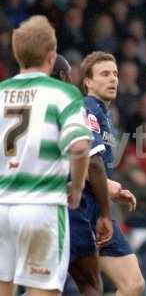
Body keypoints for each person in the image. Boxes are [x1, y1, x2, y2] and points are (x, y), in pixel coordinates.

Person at [0, 16, 91, 296]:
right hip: (42, 206)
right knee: (44, 290)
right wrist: (75, 188)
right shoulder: (62, 94)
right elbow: (78, 146)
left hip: (2, 205)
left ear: (17, 56)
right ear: (51, 57)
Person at [52, 52, 145, 295]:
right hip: (78, 208)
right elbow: (86, 160)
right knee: (82, 286)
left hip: (95, 206)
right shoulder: (86, 108)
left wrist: (108, 186)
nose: (113, 79)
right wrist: (107, 185)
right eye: (104, 74)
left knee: (133, 284)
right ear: (87, 82)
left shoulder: (103, 114)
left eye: (115, 73)